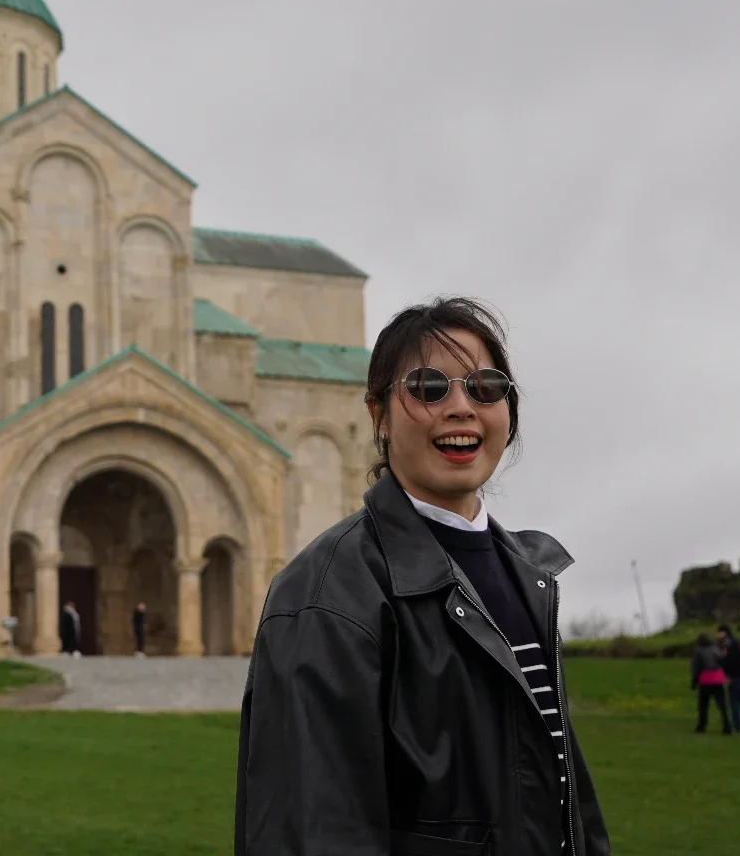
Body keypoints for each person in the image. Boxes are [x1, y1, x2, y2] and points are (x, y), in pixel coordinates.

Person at [236, 298, 609, 855]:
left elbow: (558, 792)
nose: (460, 406)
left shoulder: (530, 574)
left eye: (484, 386)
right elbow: (313, 827)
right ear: (377, 415)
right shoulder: (326, 593)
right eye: (428, 387)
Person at [689, 632, 731, 734]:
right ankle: (727, 727)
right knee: (722, 706)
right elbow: (722, 660)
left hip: (705, 680)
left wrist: (694, 681)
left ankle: (702, 726)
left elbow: (696, 667)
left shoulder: (698, 651)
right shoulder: (715, 648)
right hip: (717, 679)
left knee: (703, 705)